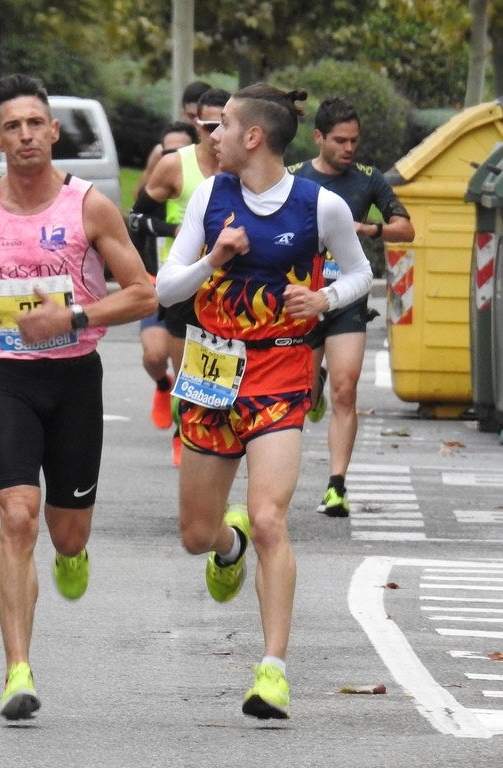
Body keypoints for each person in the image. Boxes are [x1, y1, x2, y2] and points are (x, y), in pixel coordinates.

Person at [0, 73, 157, 721]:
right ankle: (17, 670)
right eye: (13, 127)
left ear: (53, 132)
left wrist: (73, 319)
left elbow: (144, 293)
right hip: (9, 380)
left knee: (68, 534)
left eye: (36, 124)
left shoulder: (90, 207)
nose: (26, 135)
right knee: (17, 517)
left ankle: (73, 555)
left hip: (75, 379)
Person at [156, 84, 373, 719]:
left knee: (273, 517)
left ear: (253, 137)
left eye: (221, 126)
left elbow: (361, 272)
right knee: (196, 534)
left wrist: (326, 301)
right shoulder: (209, 195)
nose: (211, 136)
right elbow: (167, 283)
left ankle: (272, 670)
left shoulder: (321, 207)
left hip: (279, 369)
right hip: (210, 369)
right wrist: (214, 259)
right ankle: (229, 546)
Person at [288, 97, 414, 517]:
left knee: (347, 388)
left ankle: (336, 486)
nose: (349, 149)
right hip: (302, 301)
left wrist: (370, 228)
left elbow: (406, 228)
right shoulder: (294, 179)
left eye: (354, 141)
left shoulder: (367, 179)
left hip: (347, 297)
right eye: (340, 140)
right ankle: (313, 384)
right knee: (302, 396)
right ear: (318, 137)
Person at [130, 88, 230, 464]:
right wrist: (171, 232)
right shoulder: (175, 165)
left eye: (225, 123)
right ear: (195, 123)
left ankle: (206, 436)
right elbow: (136, 219)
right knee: (170, 362)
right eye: (208, 124)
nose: (216, 132)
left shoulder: (245, 166)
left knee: (214, 376)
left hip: (228, 286)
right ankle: (180, 422)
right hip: (178, 282)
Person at [131, 121, 197, 433]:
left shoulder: (198, 189)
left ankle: (182, 431)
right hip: (156, 283)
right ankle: (161, 384)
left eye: (180, 149)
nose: (174, 155)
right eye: (167, 150)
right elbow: (133, 221)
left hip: (192, 287)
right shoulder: (156, 191)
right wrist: (172, 230)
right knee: (154, 356)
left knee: (186, 364)